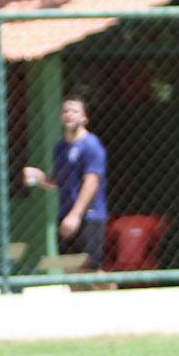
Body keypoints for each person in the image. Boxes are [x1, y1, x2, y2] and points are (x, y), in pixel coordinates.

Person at [22, 96, 108, 270]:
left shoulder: (91, 145)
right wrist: (38, 176)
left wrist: (75, 216)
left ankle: (115, 287)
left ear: (84, 118)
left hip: (89, 217)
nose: (69, 115)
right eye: (66, 111)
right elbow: (57, 182)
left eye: (75, 111)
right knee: (70, 271)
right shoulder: (60, 148)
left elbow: (92, 182)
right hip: (65, 217)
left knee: (89, 272)